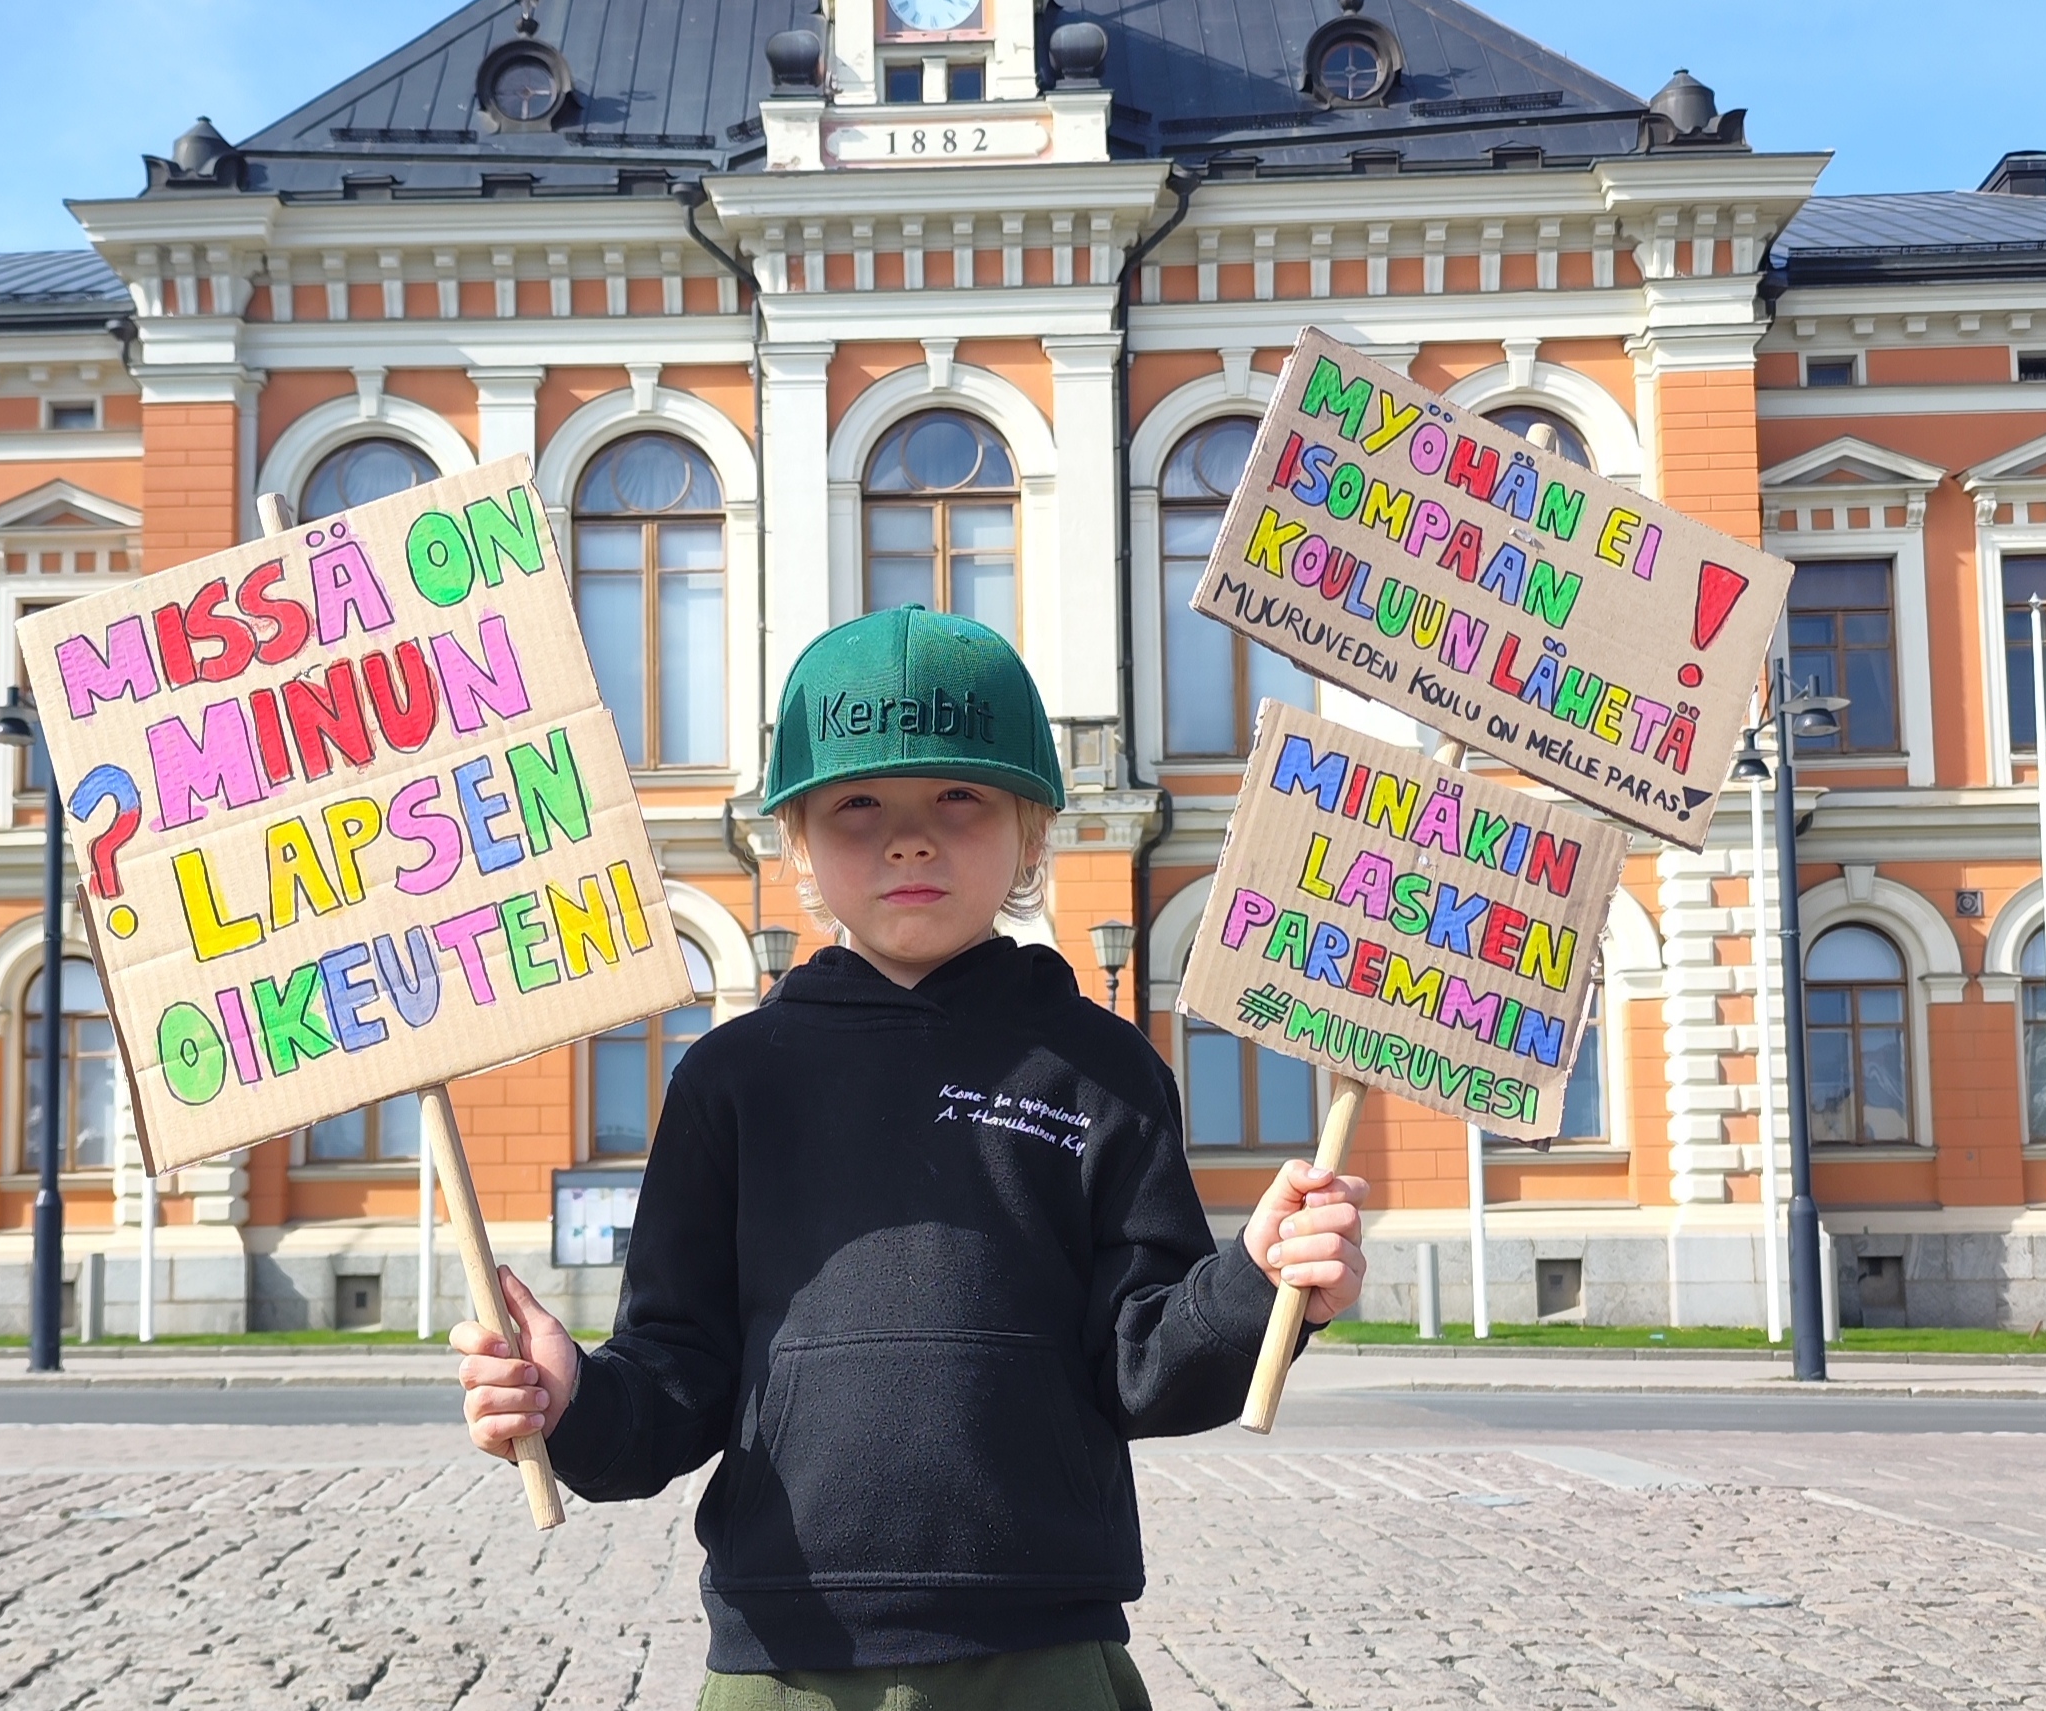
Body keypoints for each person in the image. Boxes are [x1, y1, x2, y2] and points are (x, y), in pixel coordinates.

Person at [454, 605, 1368, 1710]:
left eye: (960, 796)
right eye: (856, 805)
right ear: (793, 840)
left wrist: (1259, 1287)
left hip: (1045, 1651)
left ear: (1033, 831)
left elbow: (1145, 1366)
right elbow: (677, 1377)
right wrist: (574, 1403)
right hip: (785, 1656)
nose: (909, 837)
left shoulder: (1103, 1069)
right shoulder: (729, 1082)